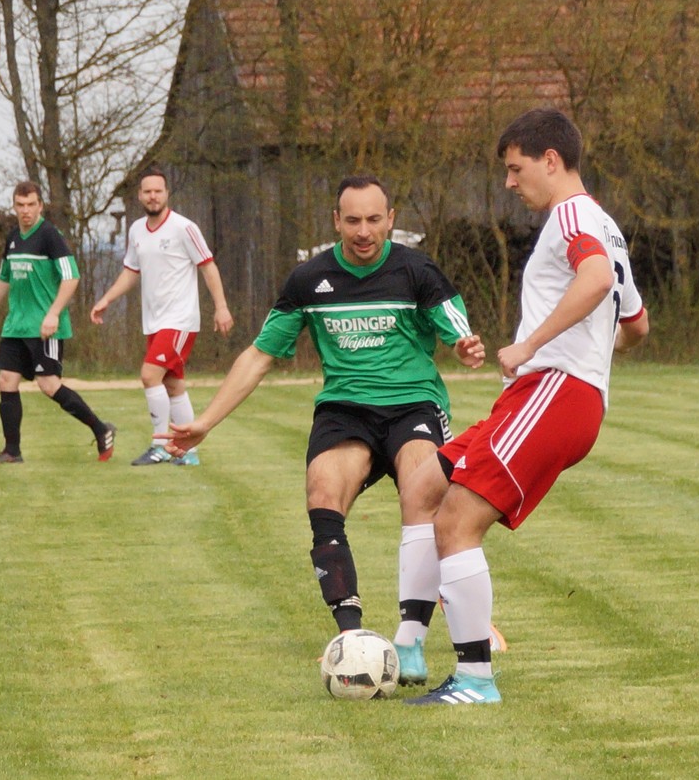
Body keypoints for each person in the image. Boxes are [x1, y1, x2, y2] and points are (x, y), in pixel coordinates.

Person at [163, 174, 486, 686]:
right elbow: (260, 355)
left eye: (374, 220)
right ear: (336, 221)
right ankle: (352, 641)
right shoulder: (309, 280)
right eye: (353, 220)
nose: (364, 231)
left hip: (412, 405)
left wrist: (465, 347)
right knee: (322, 494)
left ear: (391, 219)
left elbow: (458, 330)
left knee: (420, 495)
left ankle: (411, 640)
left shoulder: (416, 271)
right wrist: (205, 421)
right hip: (344, 410)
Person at [402, 108, 648, 707]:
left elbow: (595, 279)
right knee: (424, 485)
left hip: (554, 391)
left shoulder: (571, 215)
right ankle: (407, 649)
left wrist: (533, 345)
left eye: (516, 169)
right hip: (553, 393)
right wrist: (593, 351)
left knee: (456, 521)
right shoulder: (605, 224)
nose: (510, 182)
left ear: (551, 161)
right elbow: (637, 325)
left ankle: (475, 679)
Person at [90, 166, 234, 467]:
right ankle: (188, 452)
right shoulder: (136, 230)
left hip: (180, 320)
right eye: (147, 191)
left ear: (167, 193)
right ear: (139, 195)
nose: (153, 196)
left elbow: (208, 266)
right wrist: (107, 299)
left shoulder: (184, 228)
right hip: (153, 321)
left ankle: (160, 446)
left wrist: (221, 307)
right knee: (172, 384)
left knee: (149, 375)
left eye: (158, 191)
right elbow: (131, 271)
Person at [0, 181, 117, 465]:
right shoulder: (13, 238)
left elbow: (71, 277)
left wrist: (53, 314)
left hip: (45, 328)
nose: (25, 211)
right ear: (14, 206)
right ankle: (11, 452)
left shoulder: (50, 235)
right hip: (16, 326)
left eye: (31, 205)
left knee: (49, 385)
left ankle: (101, 429)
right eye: (20, 205)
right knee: (6, 380)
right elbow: (4, 280)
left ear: (40, 205)